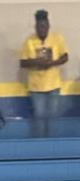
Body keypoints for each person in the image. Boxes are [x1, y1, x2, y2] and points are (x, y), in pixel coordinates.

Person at [20, 9, 68, 138]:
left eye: (44, 26)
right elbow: (22, 63)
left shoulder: (57, 38)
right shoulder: (29, 41)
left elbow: (65, 57)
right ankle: (41, 142)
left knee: (52, 115)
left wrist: (53, 62)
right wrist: (36, 62)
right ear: (35, 27)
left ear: (48, 26)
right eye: (39, 27)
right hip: (36, 86)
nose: (42, 29)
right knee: (39, 115)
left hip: (53, 84)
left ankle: (52, 141)